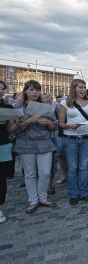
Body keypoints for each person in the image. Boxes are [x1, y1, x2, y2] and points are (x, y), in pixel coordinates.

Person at [13, 80, 58, 214]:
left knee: (45, 172)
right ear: (25, 90)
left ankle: (43, 198)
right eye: (31, 89)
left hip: (44, 142)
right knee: (30, 173)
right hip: (26, 143)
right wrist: (28, 121)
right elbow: (15, 129)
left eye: (37, 90)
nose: (35, 92)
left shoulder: (46, 106)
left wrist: (48, 124)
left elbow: (54, 125)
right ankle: (33, 200)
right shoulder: (19, 107)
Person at [58, 79, 88, 206]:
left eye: (84, 87)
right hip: (71, 139)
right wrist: (70, 126)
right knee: (73, 168)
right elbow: (60, 124)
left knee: (84, 167)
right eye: (80, 87)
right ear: (73, 88)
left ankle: (84, 193)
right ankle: (73, 194)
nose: (83, 89)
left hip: (86, 139)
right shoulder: (65, 103)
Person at [0, 81, 17, 223]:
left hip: (3, 144)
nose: (0, 91)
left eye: (2, 89)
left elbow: (10, 128)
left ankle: (0, 208)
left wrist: (17, 120)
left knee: (1, 178)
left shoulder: (7, 106)